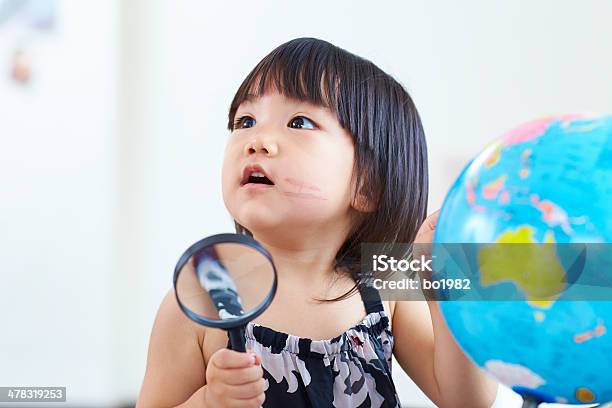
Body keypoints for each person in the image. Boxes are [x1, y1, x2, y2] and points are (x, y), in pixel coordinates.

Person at [136, 37, 499, 408]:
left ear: (367, 185)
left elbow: (469, 402)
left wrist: (448, 297)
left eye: (299, 122)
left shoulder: (382, 289)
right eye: (245, 121)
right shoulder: (202, 301)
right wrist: (208, 401)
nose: (257, 140)